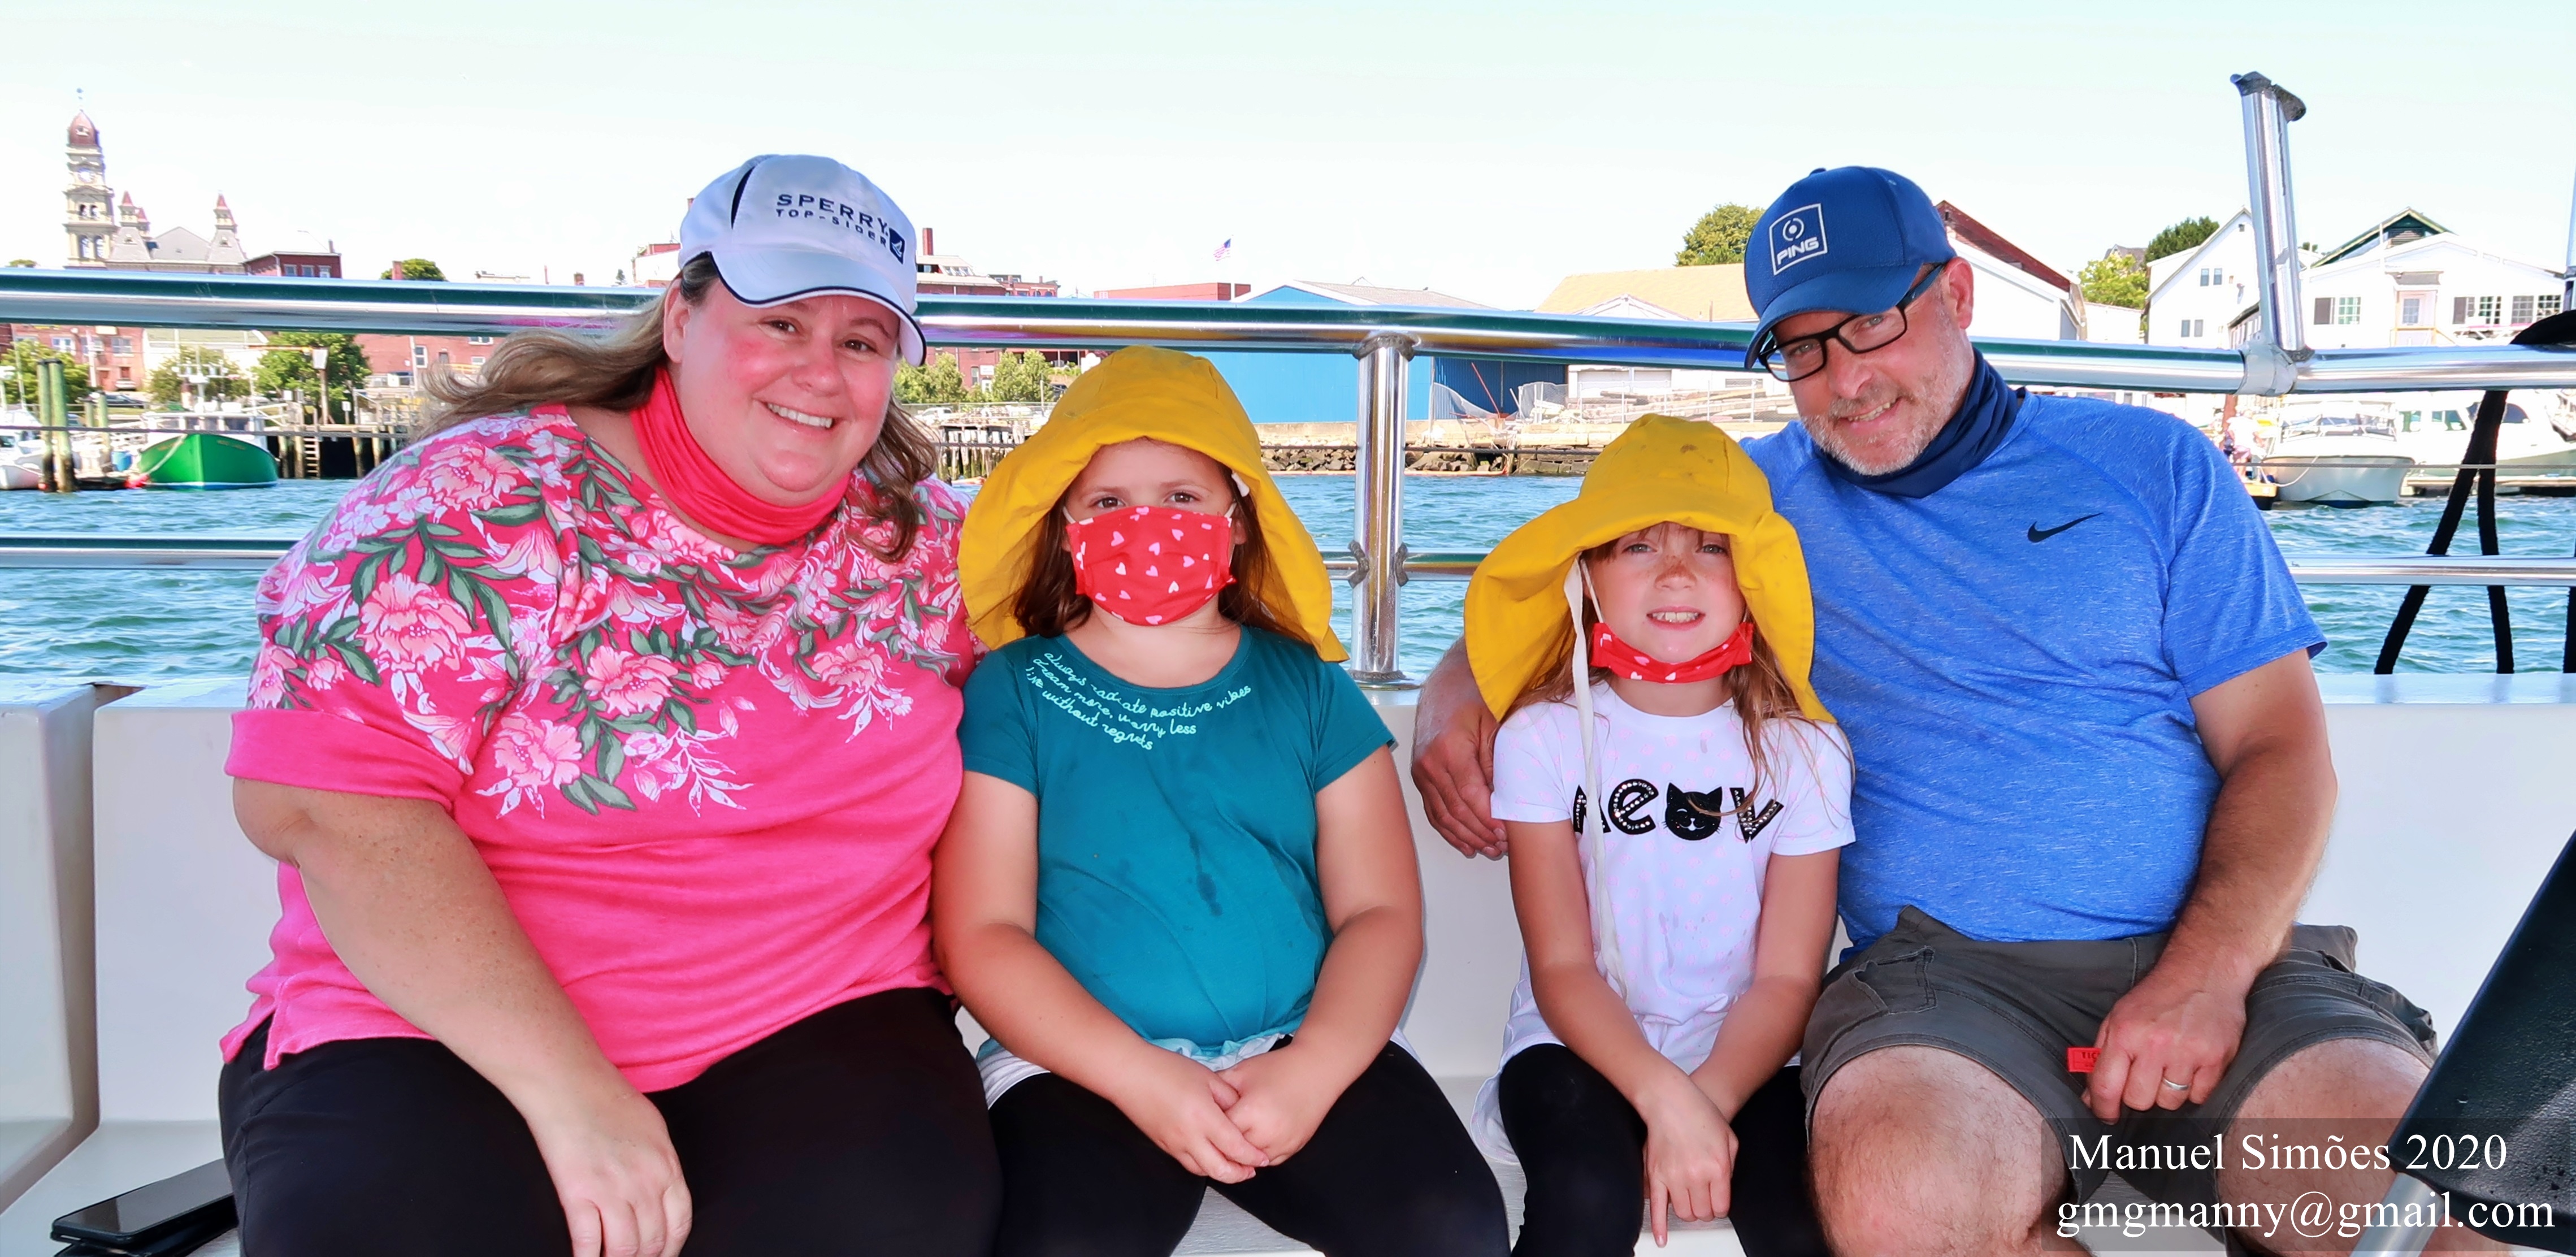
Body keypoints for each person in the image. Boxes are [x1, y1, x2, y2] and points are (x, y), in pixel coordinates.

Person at [1411, 167, 2470, 1254]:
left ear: (1956, 295)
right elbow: (1583, 571)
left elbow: (2281, 748)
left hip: (2224, 965)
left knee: (2437, 1214)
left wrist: (2206, 976)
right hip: (1941, 993)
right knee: (1904, 1213)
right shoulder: (1746, 509)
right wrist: (1456, 688)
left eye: (1870, 324)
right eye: (1801, 350)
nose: (1844, 380)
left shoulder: (2156, 465)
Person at [218, 155, 999, 1257]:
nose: (820, 372)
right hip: (430, 1031)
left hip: (821, 1011)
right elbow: (322, 807)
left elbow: (1121, 676)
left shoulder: (933, 547)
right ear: (679, 317)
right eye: (779, 322)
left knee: (895, 1225)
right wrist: (577, 1098)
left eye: (863, 341)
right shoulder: (470, 503)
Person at [935, 346, 1508, 1257]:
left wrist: (1314, 1069)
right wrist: (1142, 1079)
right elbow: (983, 934)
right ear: (1064, 529)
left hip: (1300, 1046)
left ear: (1237, 521)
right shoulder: (1012, 692)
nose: (1145, 524)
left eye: (1182, 496)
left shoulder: (1312, 689)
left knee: (1455, 1228)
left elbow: (1380, 912)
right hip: (1075, 1067)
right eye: (1107, 503)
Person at [1463, 417, 1842, 1257]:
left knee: (1801, 1223)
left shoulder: (1808, 754)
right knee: (1586, 1195)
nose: (1676, 573)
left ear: (1753, 579)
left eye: (1711, 547)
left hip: (1752, 1056)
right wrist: (1660, 1098)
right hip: (1575, 1044)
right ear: (1587, 576)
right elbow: (1562, 966)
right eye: (1637, 546)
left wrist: (1703, 1102)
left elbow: (1786, 979)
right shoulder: (1543, 738)